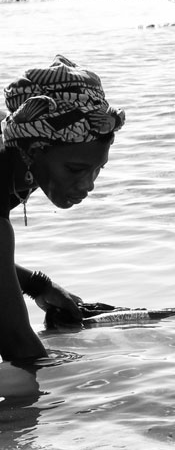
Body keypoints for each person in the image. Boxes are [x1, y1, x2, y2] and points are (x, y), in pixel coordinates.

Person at [1, 56, 125, 361]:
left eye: (97, 169)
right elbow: (16, 343)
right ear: (34, 151)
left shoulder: (21, 153)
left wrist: (39, 286)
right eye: (74, 169)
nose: (88, 185)